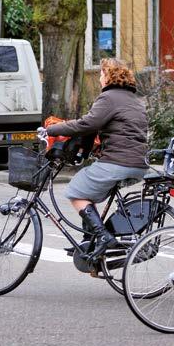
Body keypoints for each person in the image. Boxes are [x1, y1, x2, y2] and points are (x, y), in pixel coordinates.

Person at [44, 58, 149, 262]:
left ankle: (103, 236)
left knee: (76, 191)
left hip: (118, 162)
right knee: (89, 192)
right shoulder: (135, 100)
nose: (100, 78)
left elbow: (87, 124)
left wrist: (52, 129)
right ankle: (90, 243)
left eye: (101, 74)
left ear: (109, 76)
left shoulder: (108, 98)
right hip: (138, 164)